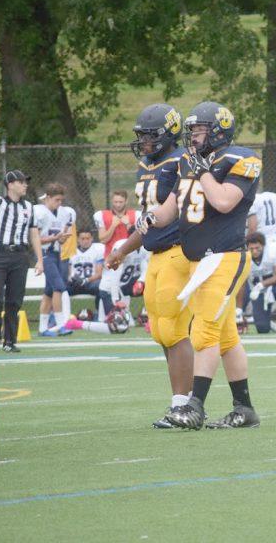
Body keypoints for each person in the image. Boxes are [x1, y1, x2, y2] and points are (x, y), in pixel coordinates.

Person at [129, 101, 260, 430]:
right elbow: (169, 209)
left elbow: (223, 201)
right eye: (192, 131)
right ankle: (244, 408)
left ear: (218, 130)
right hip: (199, 260)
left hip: (225, 256)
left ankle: (194, 407)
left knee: (204, 333)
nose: (194, 136)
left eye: (200, 129)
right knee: (227, 337)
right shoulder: (189, 162)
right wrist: (150, 218)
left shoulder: (241, 158)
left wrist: (202, 170)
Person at [105, 103, 194, 429]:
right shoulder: (149, 166)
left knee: (173, 329)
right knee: (160, 331)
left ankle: (184, 406)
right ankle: (179, 403)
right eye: (141, 136)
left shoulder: (183, 161)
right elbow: (148, 221)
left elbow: (178, 213)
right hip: (154, 254)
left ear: (168, 134)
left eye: (149, 136)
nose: (144, 142)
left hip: (179, 250)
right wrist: (124, 250)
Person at [0, 139, 43, 353]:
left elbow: (34, 233)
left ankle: (10, 340)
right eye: (21, 182)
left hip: (20, 256)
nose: (25, 185)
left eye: (25, 182)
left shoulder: (29, 207)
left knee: (14, 300)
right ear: (10, 184)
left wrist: (39, 259)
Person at [34, 183, 75, 337]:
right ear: (48, 198)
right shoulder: (40, 212)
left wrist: (61, 238)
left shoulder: (63, 213)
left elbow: (60, 240)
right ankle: (60, 324)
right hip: (44, 253)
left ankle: (42, 328)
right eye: (57, 200)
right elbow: (35, 239)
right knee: (59, 286)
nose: (59, 203)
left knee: (49, 291)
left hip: (56, 253)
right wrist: (54, 238)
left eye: (61, 200)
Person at [244, 232, 276, 334]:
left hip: (273, 286)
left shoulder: (271, 252)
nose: (255, 251)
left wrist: (262, 285)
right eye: (251, 249)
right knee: (262, 328)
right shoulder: (244, 257)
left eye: (257, 248)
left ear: (263, 246)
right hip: (257, 292)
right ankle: (270, 323)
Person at [68, 230, 105, 311]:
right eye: (83, 238)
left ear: (92, 238)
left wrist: (85, 280)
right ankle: (63, 317)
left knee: (102, 287)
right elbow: (69, 273)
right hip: (75, 284)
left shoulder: (98, 249)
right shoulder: (71, 250)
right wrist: (71, 279)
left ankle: (100, 315)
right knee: (61, 289)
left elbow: (99, 274)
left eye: (88, 238)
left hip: (90, 283)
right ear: (78, 239)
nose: (85, 241)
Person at [94, 190, 136, 258]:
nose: (118, 205)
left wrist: (128, 224)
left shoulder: (135, 215)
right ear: (112, 201)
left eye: (121, 202)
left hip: (130, 256)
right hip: (110, 256)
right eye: (115, 202)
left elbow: (138, 238)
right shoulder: (102, 215)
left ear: (126, 201)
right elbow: (103, 240)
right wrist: (113, 226)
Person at [248, 189, 276, 260]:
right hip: (274, 239)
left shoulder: (252, 199)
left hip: (258, 241)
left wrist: (248, 241)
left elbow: (253, 227)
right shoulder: (273, 196)